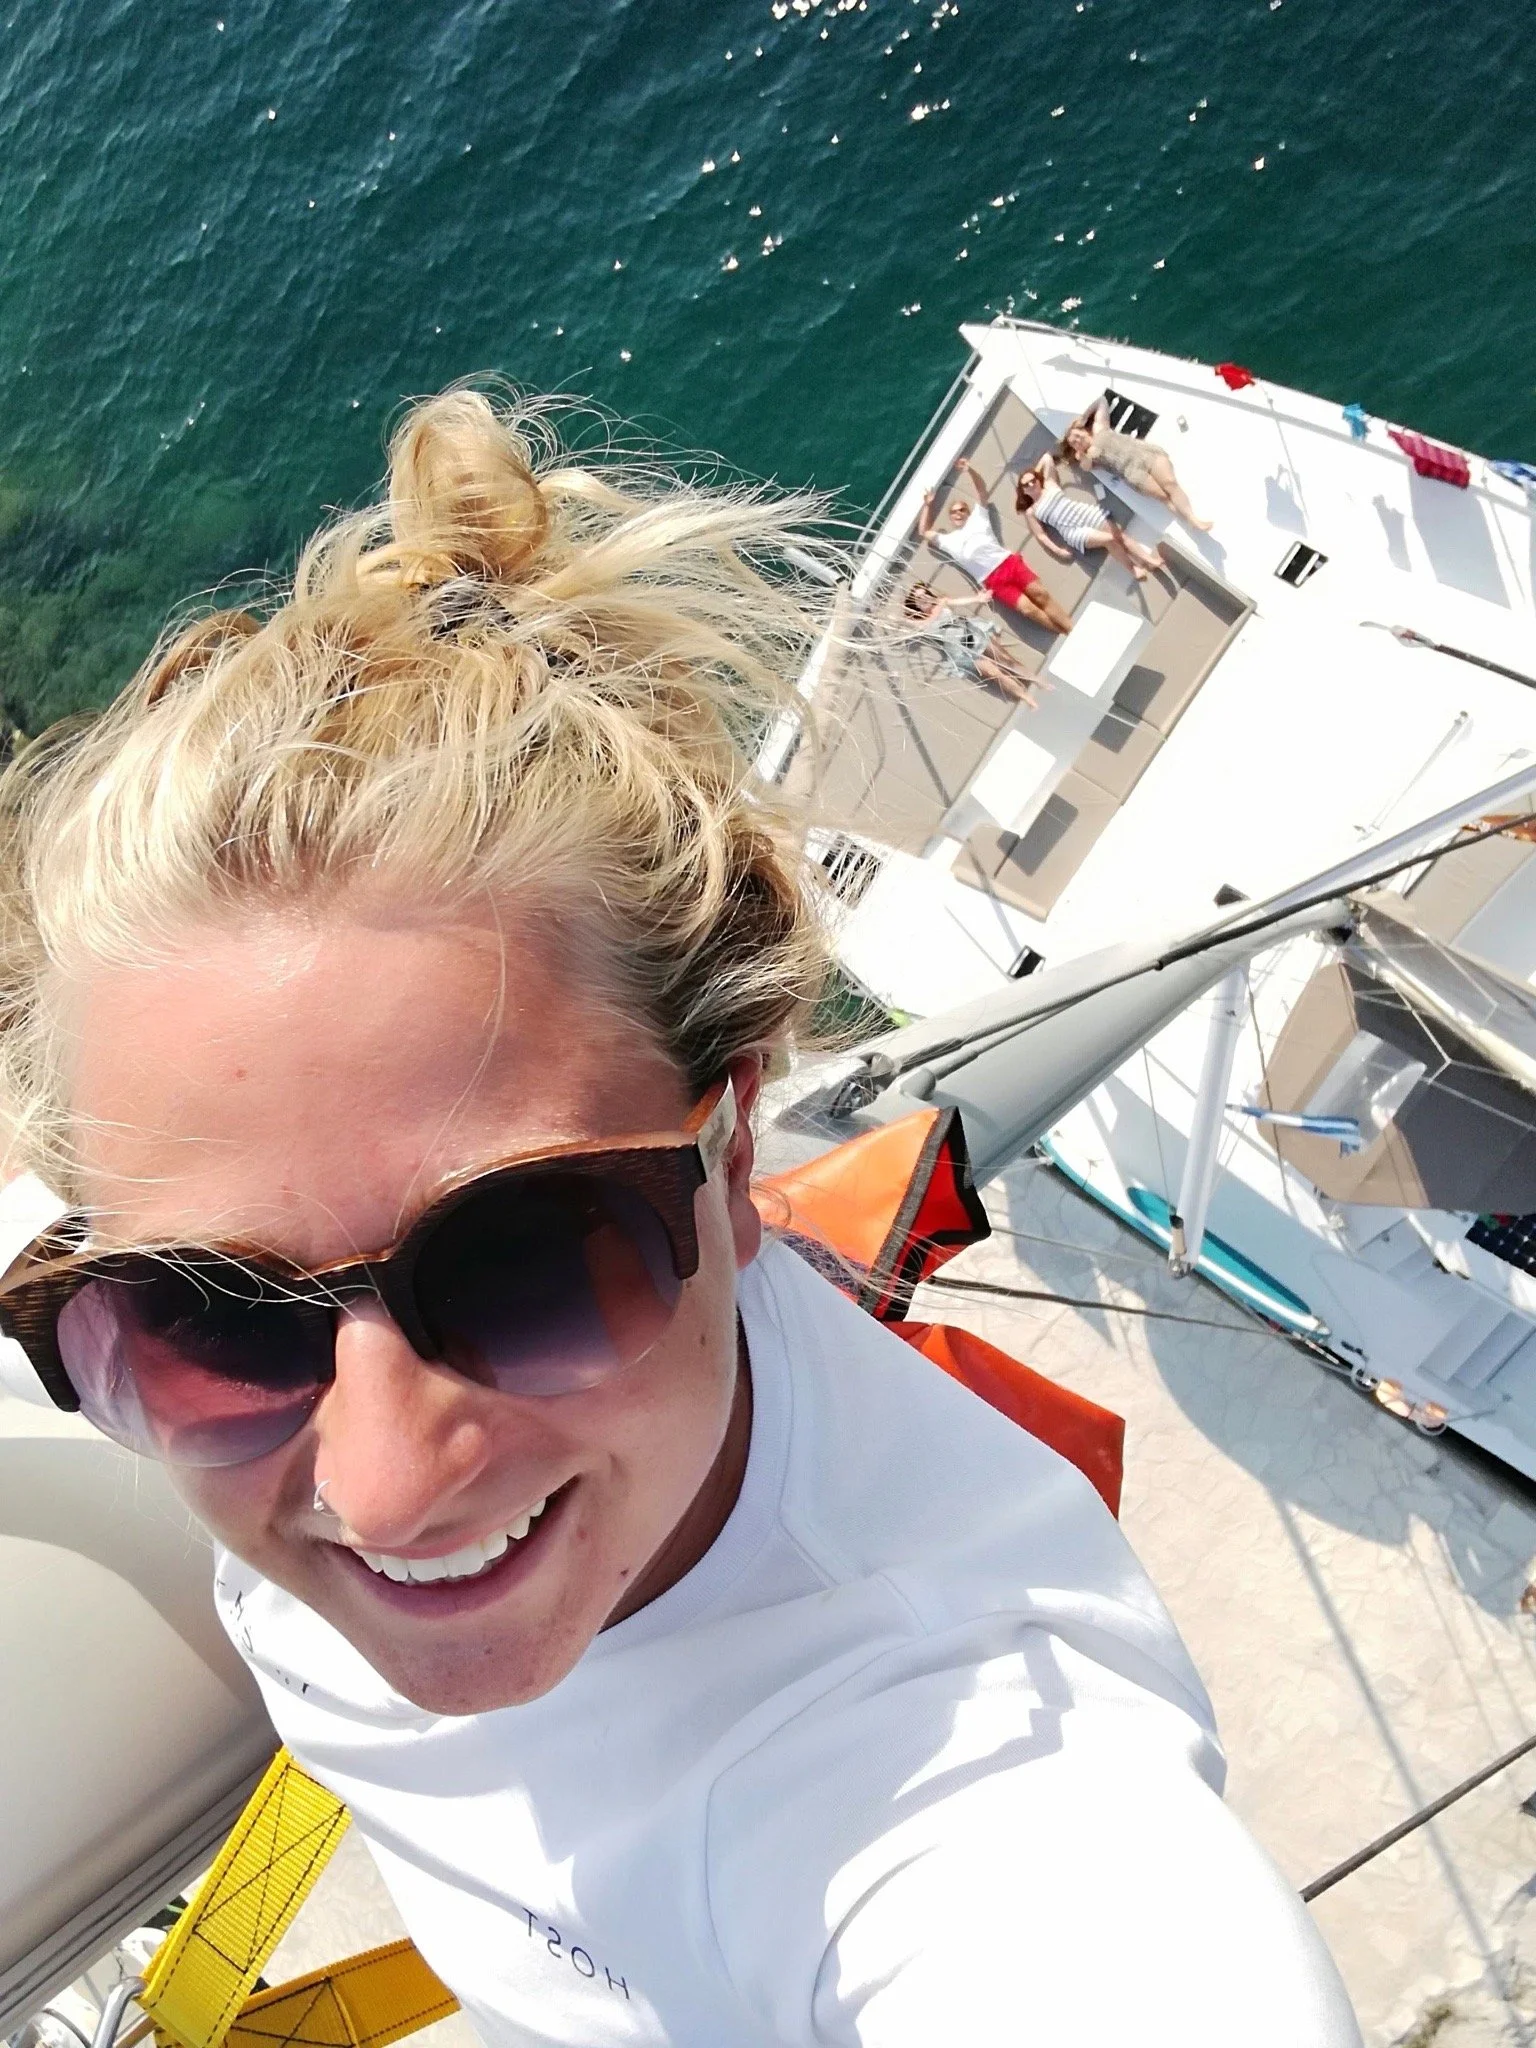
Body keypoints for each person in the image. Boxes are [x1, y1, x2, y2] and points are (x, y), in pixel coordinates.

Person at [0, 390, 1360, 2046]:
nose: (378, 1480)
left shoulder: (968, 1791)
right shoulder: (155, 1243)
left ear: (730, 1150)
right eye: (207, 1313)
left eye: (519, 1256)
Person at [915, 455, 1074, 636]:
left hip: (1009, 564)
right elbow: (923, 532)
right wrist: (927, 505)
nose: (958, 513)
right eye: (954, 512)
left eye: (962, 509)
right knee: (1028, 609)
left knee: (1041, 595)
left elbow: (982, 492)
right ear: (950, 518)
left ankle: (1071, 628)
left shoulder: (978, 518)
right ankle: (1063, 634)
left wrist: (970, 470)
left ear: (968, 512)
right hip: (992, 580)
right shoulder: (947, 540)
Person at [1016, 451, 1169, 582]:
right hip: (1073, 530)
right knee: (1109, 540)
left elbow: (1047, 458)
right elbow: (1041, 536)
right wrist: (1058, 551)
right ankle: (1132, 569)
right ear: (1022, 490)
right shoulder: (1032, 511)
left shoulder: (1049, 484)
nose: (1031, 485)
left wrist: (1035, 473)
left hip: (1085, 513)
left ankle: (1150, 561)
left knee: (1120, 536)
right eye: (1026, 485)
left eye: (1032, 481)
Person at [1063, 399, 1214, 531]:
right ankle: (1190, 520)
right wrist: (1084, 455)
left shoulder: (1099, 428)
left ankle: (1193, 519)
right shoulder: (1084, 455)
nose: (1077, 440)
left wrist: (1083, 417)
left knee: (1171, 484)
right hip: (1132, 472)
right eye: (1073, 442)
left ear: (1082, 430)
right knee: (1164, 497)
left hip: (1143, 453)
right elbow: (1087, 466)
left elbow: (1102, 401)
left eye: (1077, 435)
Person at [901, 580, 1047, 706]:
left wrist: (978, 598)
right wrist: (896, 618)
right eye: (919, 599)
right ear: (917, 607)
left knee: (1005, 659)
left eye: (925, 593)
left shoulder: (942, 602)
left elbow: (960, 601)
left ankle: (1035, 679)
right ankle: (1025, 697)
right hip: (959, 650)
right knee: (994, 673)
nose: (924, 598)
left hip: (969, 634)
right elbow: (906, 623)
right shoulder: (922, 623)